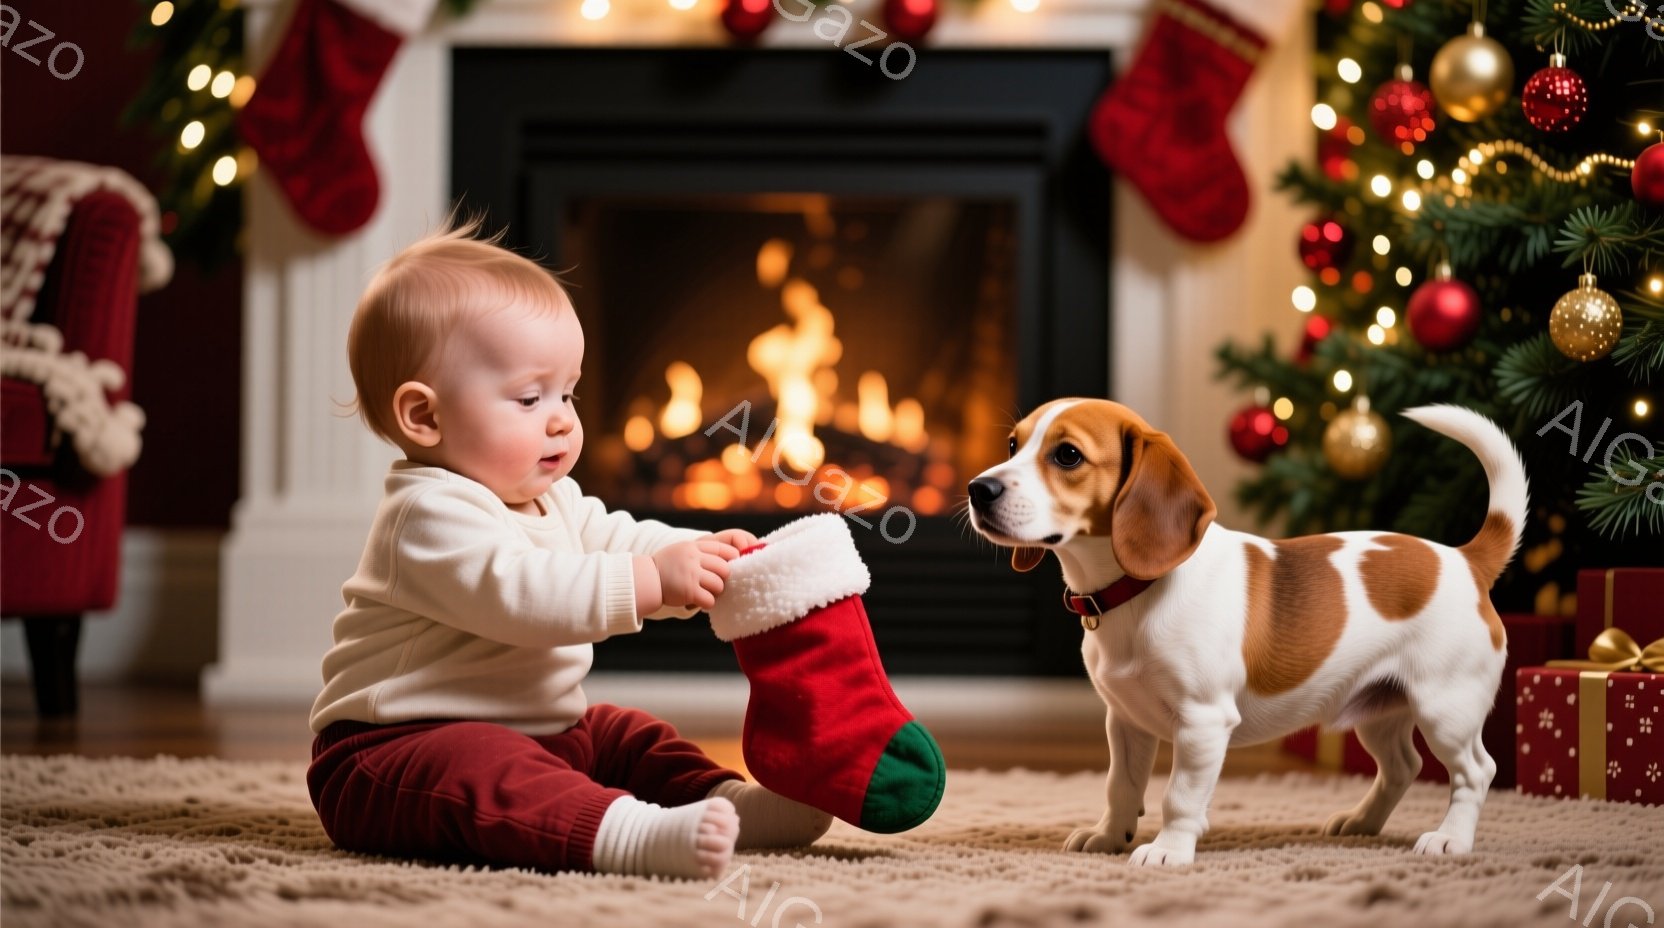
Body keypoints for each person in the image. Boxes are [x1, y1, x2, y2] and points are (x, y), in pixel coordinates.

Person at [306, 216, 831, 879]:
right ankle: (628, 836)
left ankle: (729, 804)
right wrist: (649, 582)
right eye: (529, 397)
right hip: (394, 752)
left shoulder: (548, 497)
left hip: (542, 733)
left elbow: (619, 536)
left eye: (569, 393)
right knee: (489, 771)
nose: (561, 418)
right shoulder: (426, 513)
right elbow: (521, 595)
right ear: (424, 416)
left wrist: (700, 554)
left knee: (621, 732)